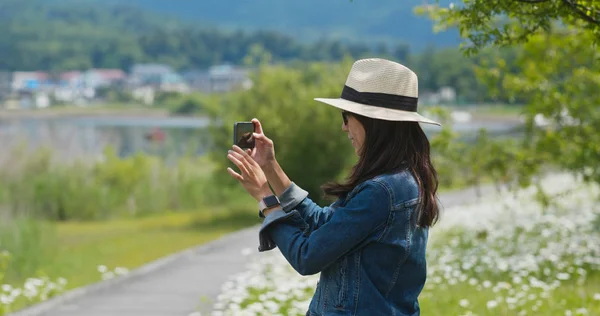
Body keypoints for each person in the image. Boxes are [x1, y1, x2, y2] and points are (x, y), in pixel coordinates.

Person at [226, 58, 442, 316]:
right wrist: (271, 167)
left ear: (373, 122)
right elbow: (326, 225)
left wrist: (265, 198)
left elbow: (307, 256)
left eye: (346, 117)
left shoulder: (381, 191)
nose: (343, 127)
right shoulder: (403, 179)